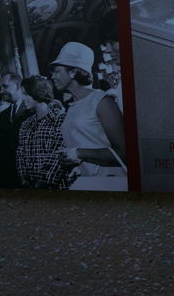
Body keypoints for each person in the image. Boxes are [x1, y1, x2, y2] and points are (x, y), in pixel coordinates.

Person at [49, 42, 126, 189]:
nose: (53, 76)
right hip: (89, 183)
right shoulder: (72, 107)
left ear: (73, 72)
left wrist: (78, 153)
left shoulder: (101, 101)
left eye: (57, 71)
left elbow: (124, 153)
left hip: (112, 184)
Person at [15, 75, 69, 189]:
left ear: (37, 93)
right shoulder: (26, 124)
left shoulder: (60, 118)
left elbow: (58, 155)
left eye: (26, 94)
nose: (22, 98)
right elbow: (20, 154)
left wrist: (42, 183)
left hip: (57, 186)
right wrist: (24, 180)